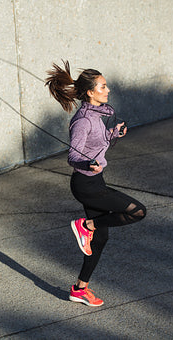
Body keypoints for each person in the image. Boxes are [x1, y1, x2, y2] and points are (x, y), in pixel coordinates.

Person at [45, 61, 147, 307]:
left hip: (94, 181)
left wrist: (113, 134)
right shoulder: (82, 121)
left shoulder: (98, 114)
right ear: (90, 92)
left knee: (100, 241)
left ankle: (79, 289)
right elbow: (73, 156)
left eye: (106, 85)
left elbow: (96, 143)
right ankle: (85, 225)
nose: (108, 89)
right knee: (138, 211)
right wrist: (87, 163)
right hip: (86, 185)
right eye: (103, 86)